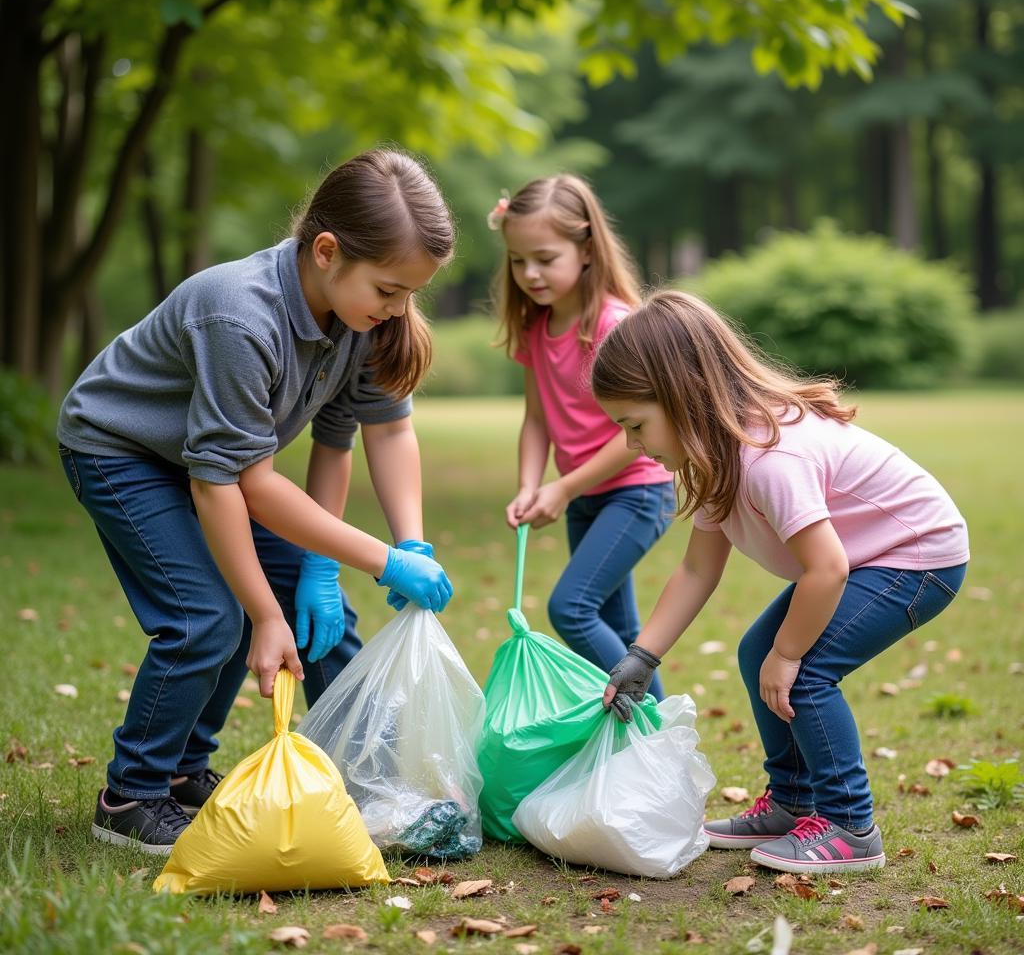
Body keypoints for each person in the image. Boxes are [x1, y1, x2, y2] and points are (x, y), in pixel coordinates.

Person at [57, 148, 455, 855]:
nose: (399, 309)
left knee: (316, 614)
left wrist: (340, 564)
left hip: (214, 466)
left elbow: (355, 440)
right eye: (391, 289)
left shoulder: (355, 319)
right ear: (327, 251)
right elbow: (233, 484)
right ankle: (130, 795)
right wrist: (286, 602)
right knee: (207, 616)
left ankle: (331, 777)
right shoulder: (240, 315)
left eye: (409, 295)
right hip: (121, 451)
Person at [593, 291, 969, 874]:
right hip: (863, 560)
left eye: (636, 424)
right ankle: (793, 803)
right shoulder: (720, 455)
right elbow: (698, 569)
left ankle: (850, 825)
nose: (630, 444)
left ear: (683, 397)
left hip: (917, 557)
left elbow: (828, 568)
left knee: (805, 671)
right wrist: (643, 655)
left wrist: (789, 654)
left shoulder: (770, 458)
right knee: (756, 653)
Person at [491, 176, 676, 695]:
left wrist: (565, 487)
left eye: (545, 258)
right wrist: (531, 485)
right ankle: (644, 743)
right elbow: (536, 419)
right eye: (517, 259)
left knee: (571, 608)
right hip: (586, 499)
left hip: (637, 491)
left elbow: (636, 430)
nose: (529, 273)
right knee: (615, 629)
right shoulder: (536, 328)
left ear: (587, 250)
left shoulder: (617, 324)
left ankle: (653, 731)